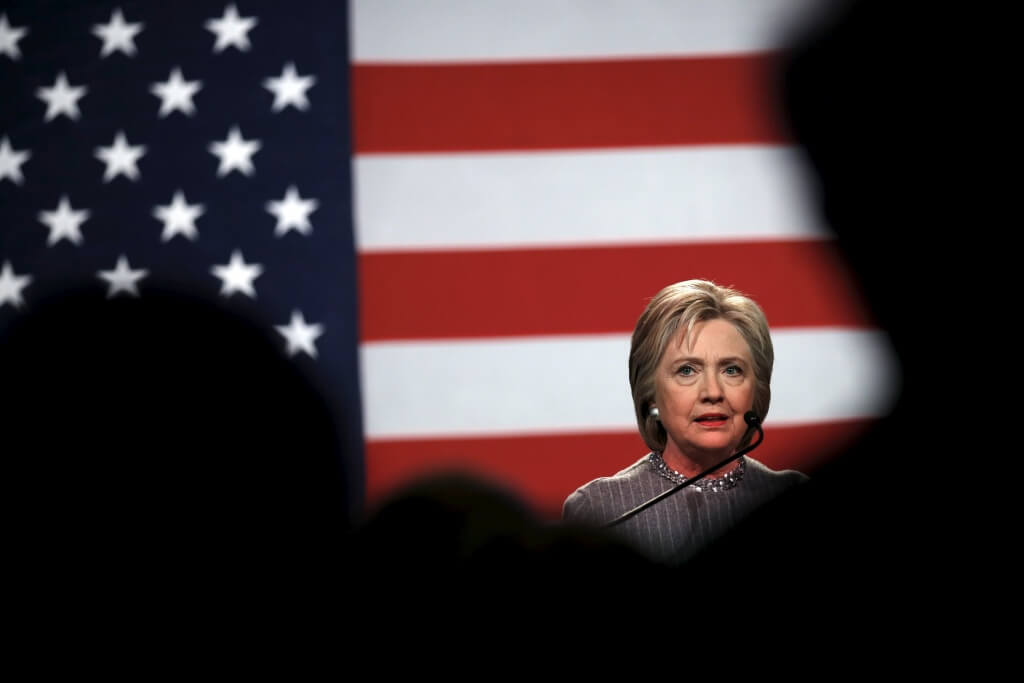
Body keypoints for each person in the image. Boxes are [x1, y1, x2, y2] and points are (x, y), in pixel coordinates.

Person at [562, 279, 807, 565]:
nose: (713, 392)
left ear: (756, 390)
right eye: (687, 370)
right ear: (650, 394)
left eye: (731, 370)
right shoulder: (602, 510)